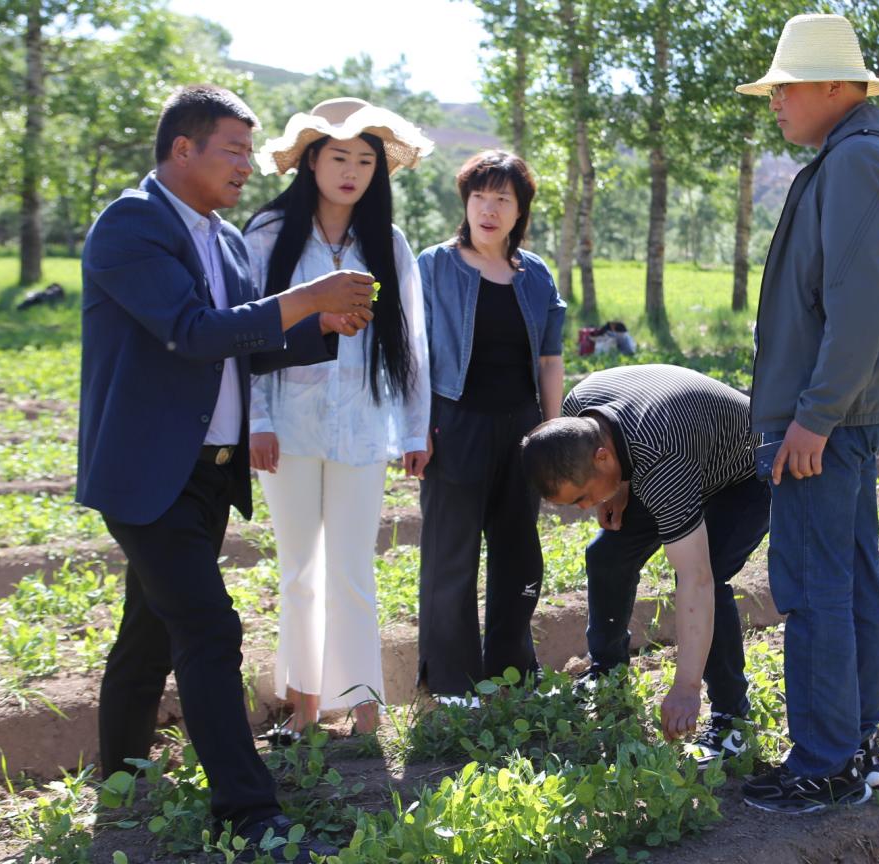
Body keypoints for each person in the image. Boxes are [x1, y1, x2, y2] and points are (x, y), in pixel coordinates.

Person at [77, 85, 376, 858]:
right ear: (183, 149)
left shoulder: (226, 240)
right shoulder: (131, 225)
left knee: (148, 633)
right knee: (209, 629)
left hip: (209, 472)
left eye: (250, 151)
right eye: (234, 151)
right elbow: (192, 331)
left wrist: (322, 327)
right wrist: (305, 294)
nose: (250, 165)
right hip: (148, 471)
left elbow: (247, 341)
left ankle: (122, 779)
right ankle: (248, 811)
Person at [735, 14, 879, 813]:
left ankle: (823, 762)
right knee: (847, 580)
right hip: (843, 414)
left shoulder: (854, 164)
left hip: (829, 419)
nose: (775, 102)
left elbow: (859, 307)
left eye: (784, 88)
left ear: (830, 86)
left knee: (815, 587)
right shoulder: (859, 156)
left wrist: (812, 417)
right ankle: (855, 750)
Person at [244, 97, 433, 740]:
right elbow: (250, 335)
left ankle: (365, 705)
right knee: (299, 569)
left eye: (364, 160)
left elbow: (411, 344)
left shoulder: (388, 243)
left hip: (361, 425)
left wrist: (413, 430)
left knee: (351, 567)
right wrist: (255, 421)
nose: (351, 171)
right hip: (287, 430)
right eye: (338, 157)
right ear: (311, 162)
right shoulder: (268, 234)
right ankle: (302, 706)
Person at [520, 364, 770, 764]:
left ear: (602, 458)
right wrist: (615, 488)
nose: (587, 508)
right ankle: (607, 671)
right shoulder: (579, 409)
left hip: (743, 471)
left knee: (712, 571)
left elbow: (697, 580)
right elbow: (622, 448)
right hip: (667, 455)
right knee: (606, 555)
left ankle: (731, 721)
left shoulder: (661, 461)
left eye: (583, 497)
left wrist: (686, 687)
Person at [415, 150, 565, 702]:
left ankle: (511, 669)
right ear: (466, 201)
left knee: (519, 550)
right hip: (455, 423)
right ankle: (451, 680)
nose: (489, 208)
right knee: (450, 552)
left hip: (522, 429)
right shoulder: (435, 265)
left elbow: (550, 361)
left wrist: (554, 433)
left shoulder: (535, 275)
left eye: (503, 198)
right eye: (480, 196)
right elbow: (415, 355)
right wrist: (417, 425)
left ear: (520, 208)